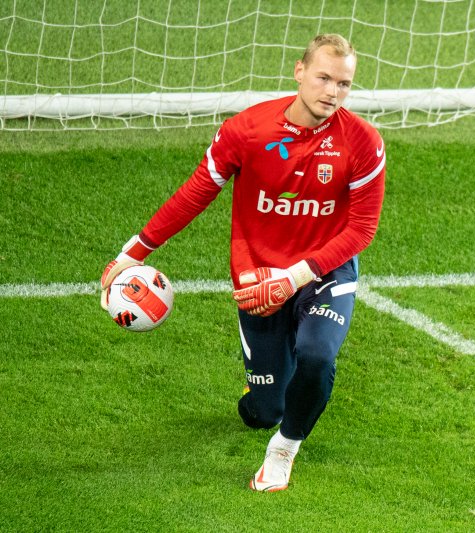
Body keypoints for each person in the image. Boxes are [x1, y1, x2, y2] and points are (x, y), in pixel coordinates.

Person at [100, 34, 386, 492]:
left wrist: (295, 277)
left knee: (317, 356)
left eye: (345, 84)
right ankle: (264, 405)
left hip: (321, 273)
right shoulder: (248, 131)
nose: (333, 92)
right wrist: (131, 253)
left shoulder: (362, 143)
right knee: (265, 410)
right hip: (257, 280)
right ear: (299, 72)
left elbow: (362, 230)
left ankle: (284, 449)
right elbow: (195, 193)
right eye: (324, 78)